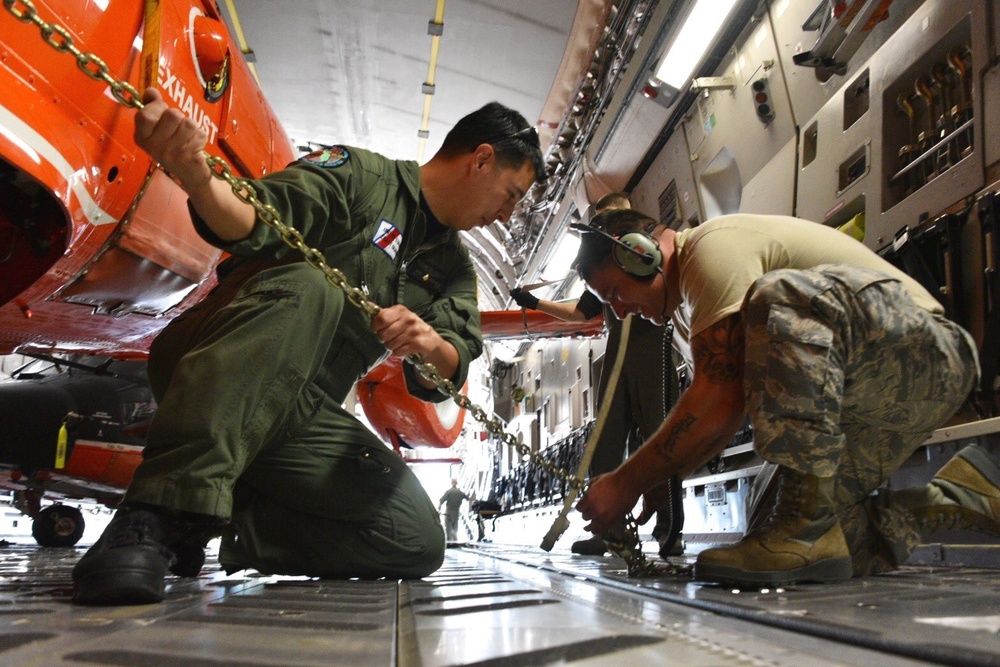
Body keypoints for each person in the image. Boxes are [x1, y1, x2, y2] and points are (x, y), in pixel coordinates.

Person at [71, 88, 544, 605]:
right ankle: (151, 517)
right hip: (215, 361)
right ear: (482, 159)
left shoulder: (455, 268)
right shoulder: (360, 178)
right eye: (512, 194)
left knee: (414, 540)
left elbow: (453, 361)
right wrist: (195, 173)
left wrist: (429, 343)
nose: (506, 214)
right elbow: (252, 219)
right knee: (312, 286)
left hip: (300, 416)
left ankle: (216, 521)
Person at [574, 208, 997, 586]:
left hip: (928, 355)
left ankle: (800, 525)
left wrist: (627, 481)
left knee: (775, 298)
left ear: (640, 255)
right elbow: (717, 420)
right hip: (870, 394)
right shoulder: (686, 317)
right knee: (784, 538)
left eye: (614, 294)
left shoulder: (711, 249)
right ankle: (955, 498)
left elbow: (717, 404)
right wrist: (658, 480)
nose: (621, 311)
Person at [509, 193, 683, 559]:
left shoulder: (643, 257)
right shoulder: (603, 273)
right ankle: (609, 530)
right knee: (603, 440)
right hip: (617, 358)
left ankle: (670, 528)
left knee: (660, 432)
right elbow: (582, 312)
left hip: (652, 350)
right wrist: (535, 303)